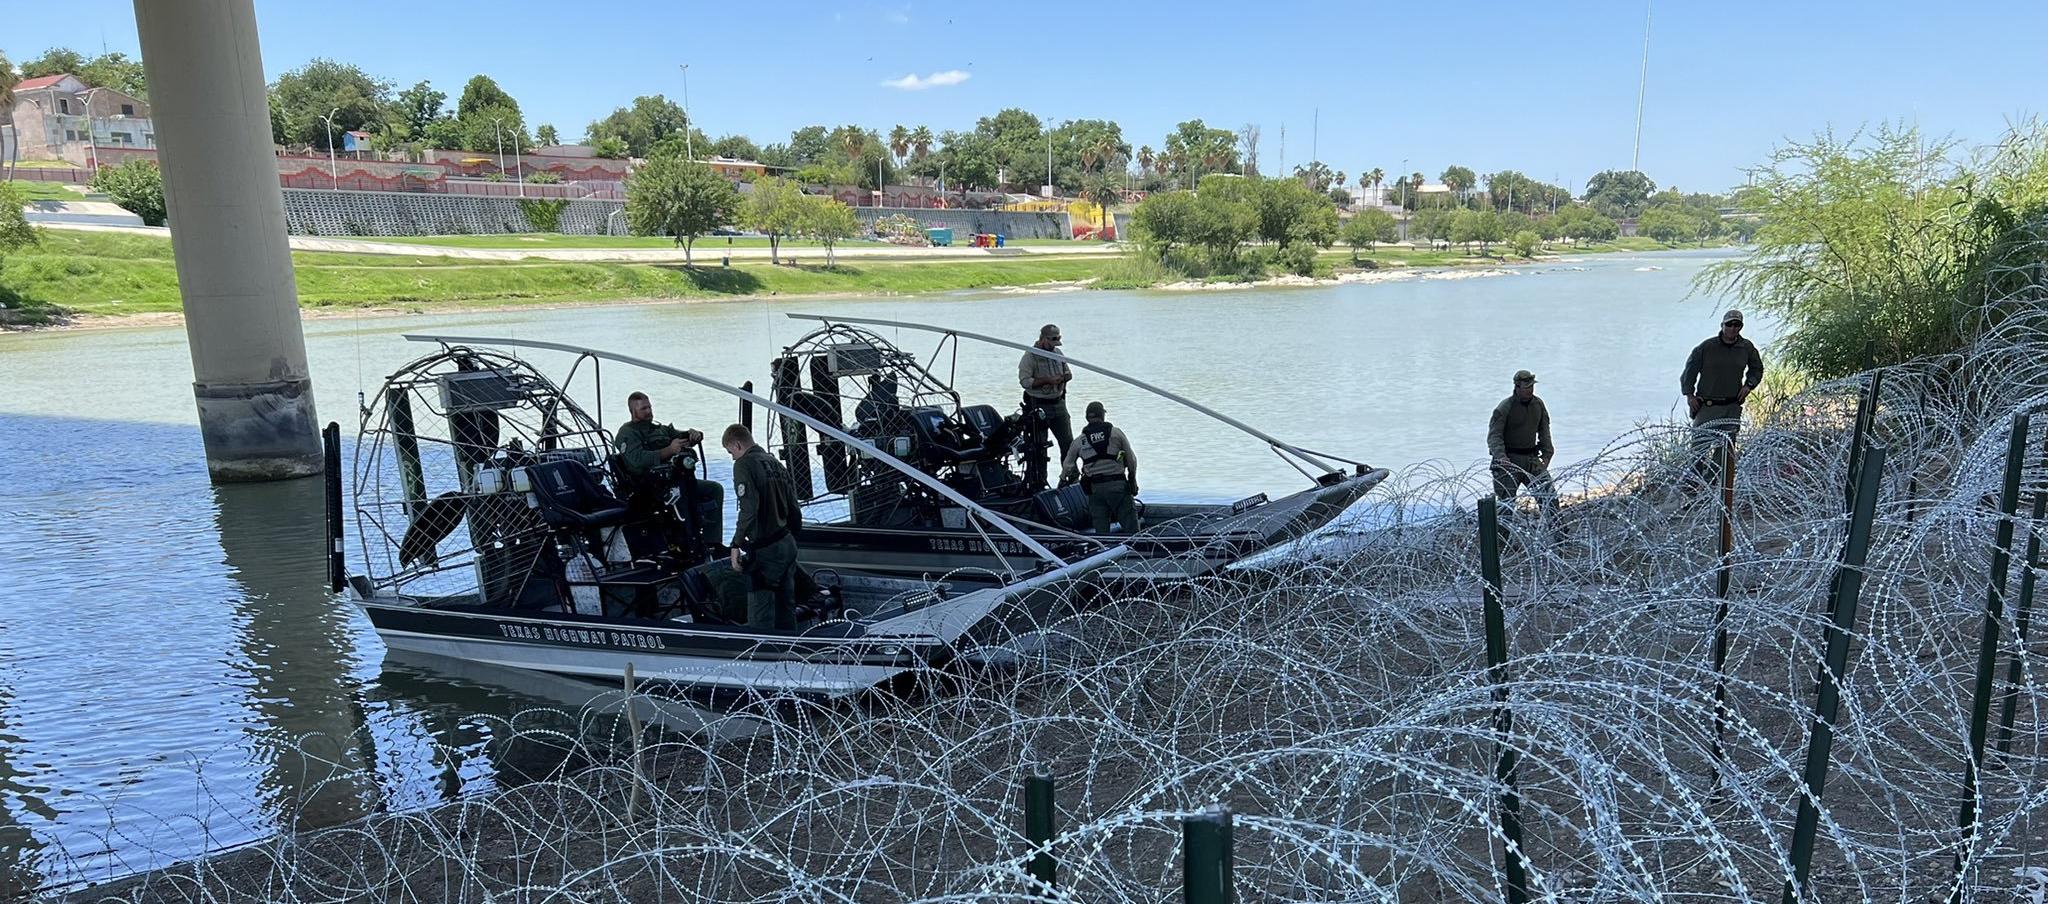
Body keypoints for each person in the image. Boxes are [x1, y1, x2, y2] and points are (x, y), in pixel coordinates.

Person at [614, 391, 723, 557]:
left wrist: (694, 435)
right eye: (644, 409)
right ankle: (689, 545)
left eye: (649, 407)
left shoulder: (660, 429)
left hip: (676, 480)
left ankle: (712, 543)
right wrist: (669, 450)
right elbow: (637, 460)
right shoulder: (627, 433)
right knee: (681, 496)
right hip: (649, 488)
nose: (649, 411)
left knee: (714, 489)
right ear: (633, 411)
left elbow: (679, 436)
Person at [724, 423, 803, 630]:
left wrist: (736, 544)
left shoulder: (744, 465)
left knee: (760, 616)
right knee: (786, 608)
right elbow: (795, 509)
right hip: (786, 544)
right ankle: (790, 653)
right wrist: (792, 539)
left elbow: (749, 509)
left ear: (737, 445)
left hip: (766, 550)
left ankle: (761, 655)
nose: (732, 457)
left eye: (730, 451)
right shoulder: (775, 462)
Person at [1680, 309, 1766, 447]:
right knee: (1698, 450)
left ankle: (1722, 468)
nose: (1732, 328)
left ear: (1741, 327)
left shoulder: (1746, 347)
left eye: (1736, 325)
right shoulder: (1706, 347)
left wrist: (1749, 385)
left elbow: (1757, 368)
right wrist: (1690, 395)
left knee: (1726, 454)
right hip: (1707, 406)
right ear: (1722, 325)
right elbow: (1689, 372)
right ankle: (1697, 470)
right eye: (1729, 324)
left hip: (1732, 407)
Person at [1062, 401, 1140, 534]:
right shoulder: (1116, 433)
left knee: (1101, 531)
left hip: (1095, 490)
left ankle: (1104, 551)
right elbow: (1131, 460)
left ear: (1087, 418)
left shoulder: (1079, 441)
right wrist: (1132, 478)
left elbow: (1067, 467)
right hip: (1118, 487)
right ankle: (1136, 550)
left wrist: (1064, 479)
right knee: (1131, 528)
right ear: (1103, 415)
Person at [1487, 370, 1557, 515]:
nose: (1530, 390)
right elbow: (1494, 436)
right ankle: (1502, 537)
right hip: (1509, 460)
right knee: (1506, 507)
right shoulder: (1504, 407)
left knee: (1549, 497)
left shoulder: (1538, 405)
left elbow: (1544, 430)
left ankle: (1559, 534)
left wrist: (1547, 452)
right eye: (1526, 387)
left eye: (1531, 387)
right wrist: (1501, 456)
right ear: (1517, 387)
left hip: (1531, 458)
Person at [1019, 324, 1075, 469]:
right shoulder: (1030, 356)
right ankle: (1040, 481)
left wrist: (1065, 377)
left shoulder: (1058, 353)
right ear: (1043, 339)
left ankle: (1069, 476)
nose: (1054, 346)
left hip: (1059, 403)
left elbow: (1067, 372)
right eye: (1052, 342)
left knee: (1068, 443)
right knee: (1039, 446)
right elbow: (1025, 381)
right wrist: (1047, 380)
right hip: (1038, 405)